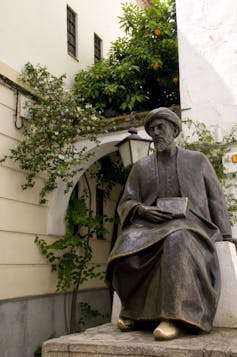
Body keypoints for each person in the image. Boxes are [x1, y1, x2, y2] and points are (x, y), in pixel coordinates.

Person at [106, 107, 232, 340]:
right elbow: (126, 202)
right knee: (126, 245)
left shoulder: (197, 160)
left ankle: (173, 316)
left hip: (191, 224)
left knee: (177, 240)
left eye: (160, 127)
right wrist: (143, 209)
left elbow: (216, 197)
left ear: (174, 130)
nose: (156, 133)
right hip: (150, 226)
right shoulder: (141, 167)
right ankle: (134, 312)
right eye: (152, 129)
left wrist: (225, 234)